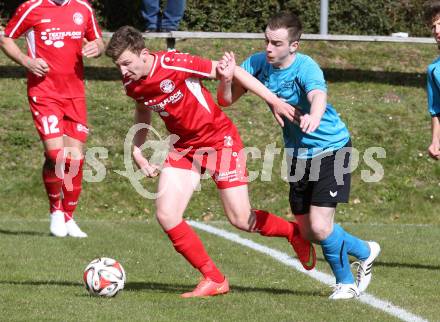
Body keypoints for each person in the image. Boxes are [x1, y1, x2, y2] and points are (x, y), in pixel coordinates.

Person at [105, 25, 316, 298]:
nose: (123, 71)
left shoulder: (174, 62)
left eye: (126, 63)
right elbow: (143, 108)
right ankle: (214, 278)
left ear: (143, 54)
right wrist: (137, 148)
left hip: (219, 141)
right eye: (118, 65)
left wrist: (274, 100)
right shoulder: (132, 83)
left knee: (241, 219)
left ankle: (293, 232)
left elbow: (233, 71)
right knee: (167, 214)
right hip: (183, 146)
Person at [216, 12, 381, 300]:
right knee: (307, 231)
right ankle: (365, 251)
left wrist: (314, 117)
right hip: (298, 156)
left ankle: (346, 283)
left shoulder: (307, 67)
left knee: (320, 225)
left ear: (294, 46)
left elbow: (318, 95)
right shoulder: (258, 63)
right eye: (266, 40)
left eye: (276, 43)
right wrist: (226, 78)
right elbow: (226, 100)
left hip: (332, 148)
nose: (269, 48)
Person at [0, 0, 104, 238]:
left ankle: (69, 217)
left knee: (75, 159)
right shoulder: (32, 7)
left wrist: (97, 48)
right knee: (56, 155)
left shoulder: (83, 8)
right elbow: (6, 38)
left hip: (74, 93)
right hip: (44, 92)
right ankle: (55, 210)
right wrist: (27, 61)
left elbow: (98, 40)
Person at [425, 1, 440, 160]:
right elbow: (437, 110)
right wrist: (435, 141)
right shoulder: (434, 70)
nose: (437, 31)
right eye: (433, 27)